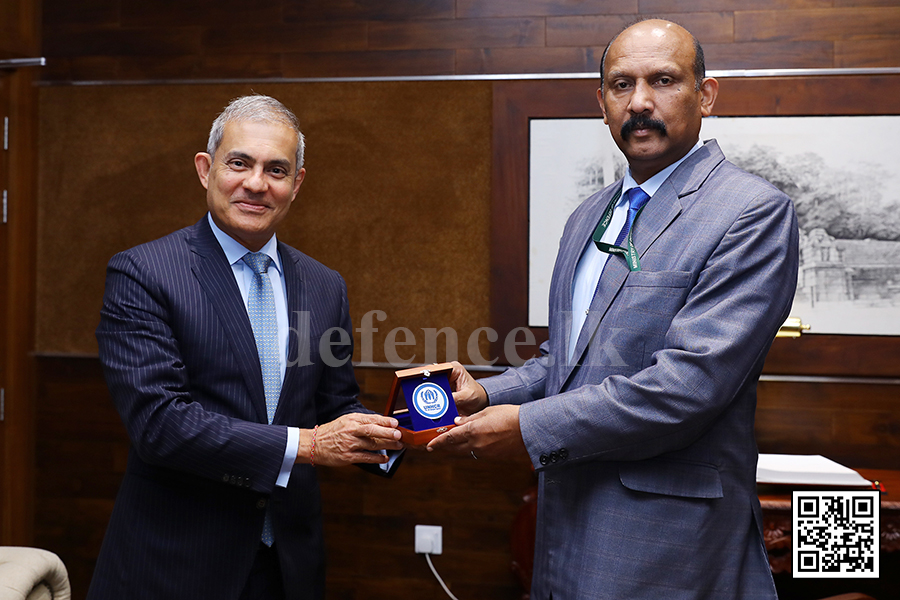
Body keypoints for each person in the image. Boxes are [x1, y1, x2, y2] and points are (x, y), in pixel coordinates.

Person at [428, 19, 798, 600]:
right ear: (601, 103)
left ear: (705, 94)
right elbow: (566, 360)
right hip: (562, 521)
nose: (640, 102)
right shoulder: (589, 215)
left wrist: (526, 427)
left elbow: (686, 388)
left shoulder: (751, 212)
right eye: (621, 85)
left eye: (664, 80)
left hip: (664, 543)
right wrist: (487, 395)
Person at [89, 94, 403, 600]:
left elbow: (334, 407)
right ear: (205, 169)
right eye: (240, 163)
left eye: (276, 169)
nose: (256, 183)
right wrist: (310, 445)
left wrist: (406, 431)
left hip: (287, 568)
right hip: (176, 566)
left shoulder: (325, 286)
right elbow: (160, 424)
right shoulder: (144, 273)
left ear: (296, 184)